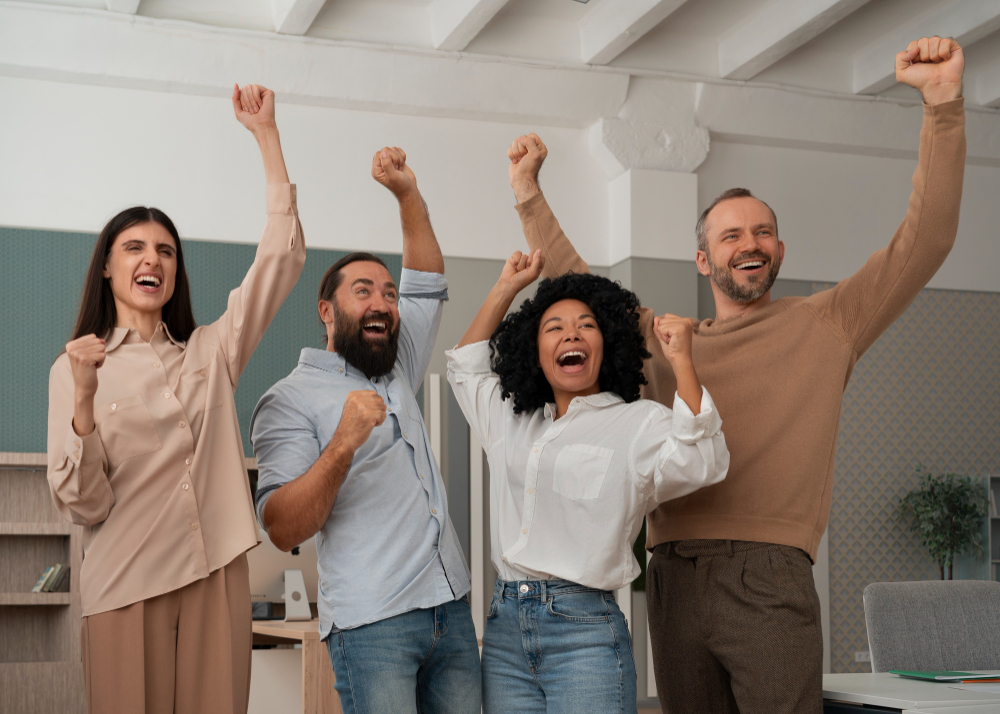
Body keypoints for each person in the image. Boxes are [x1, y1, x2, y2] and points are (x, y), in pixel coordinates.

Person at [504, 36, 965, 714]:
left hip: (770, 575)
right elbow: (579, 282)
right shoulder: (667, 343)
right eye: (730, 235)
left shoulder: (828, 322)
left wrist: (943, 107)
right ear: (702, 259)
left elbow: (925, 239)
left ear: (779, 250)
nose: (749, 243)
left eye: (762, 232)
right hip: (674, 577)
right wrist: (527, 196)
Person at [46, 84, 304, 713]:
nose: (151, 259)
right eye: (134, 247)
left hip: (215, 575)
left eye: (165, 250)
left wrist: (266, 137)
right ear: (107, 267)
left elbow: (281, 257)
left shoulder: (210, 352)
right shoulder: (76, 367)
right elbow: (85, 503)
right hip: (125, 584)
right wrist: (84, 398)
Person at [446, 253, 729, 713]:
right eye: (553, 327)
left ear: (608, 342)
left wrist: (681, 362)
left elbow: (705, 460)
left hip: (584, 633)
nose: (570, 334)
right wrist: (505, 287)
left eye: (586, 325)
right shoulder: (511, 421)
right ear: (535, 350)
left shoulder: (637, 423)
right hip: (503, 633)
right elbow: (465, 367)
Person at [250, 147, 480, 714]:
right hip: (373, 625)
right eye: (363, 291)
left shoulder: (398, 362)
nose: (381, 301)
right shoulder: (288, 399)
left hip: (450, 610)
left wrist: (406, 193)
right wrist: (344, 442)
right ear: (326, 312)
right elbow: (281, 524)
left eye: (388, 293)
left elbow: (426, 277)